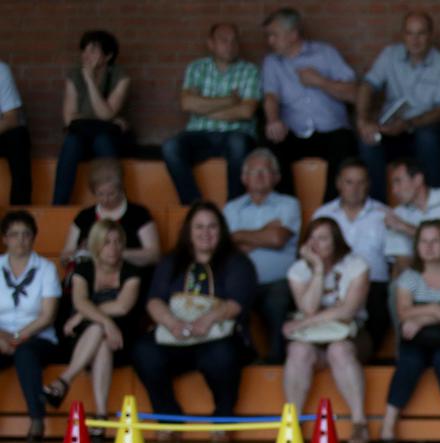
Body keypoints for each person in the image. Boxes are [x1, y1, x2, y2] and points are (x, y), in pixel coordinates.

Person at [131, 203, 256, 428]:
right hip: (175, 335)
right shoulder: (171, 261)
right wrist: (173, 323)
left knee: (223, 355)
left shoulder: (237, 262)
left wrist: (206, 320)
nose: (205, 233)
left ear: (221, 230)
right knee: (143, 351)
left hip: (216, 337)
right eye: (199, 227)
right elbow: (154, 300)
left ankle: (223, 418)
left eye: (212, 227)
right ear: (189, 230)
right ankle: (168, 418)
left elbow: (237, 303)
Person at [41, 220, 142, 431]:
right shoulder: (84, 268)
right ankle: (101, 415)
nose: (113, 248)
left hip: (121, 337)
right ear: (96, 244)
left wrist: (84, 315)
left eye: (117, 242)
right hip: (81, 338)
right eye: (107, 242)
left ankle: (64, 381)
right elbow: (79, 301)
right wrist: (105, 321)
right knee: (100, 332)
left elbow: (123, 307)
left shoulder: (131, 271)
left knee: (101, 334)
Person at [381, 221, 440, 443]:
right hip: (418, 341)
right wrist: (436, 310)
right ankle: (387, 425)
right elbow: (404, 313)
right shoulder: (408, 278)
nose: (429, 246)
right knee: (409, 361)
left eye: (435, 241)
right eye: (423, 241)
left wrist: (420, 319)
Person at [282, 217, 371, 443]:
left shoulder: (356, 266)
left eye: (322, 238)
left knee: (339, 350)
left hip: (351, 333)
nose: (316, 243)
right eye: (312, 238)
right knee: (298, 351)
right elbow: (309, 308)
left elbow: (347, 311)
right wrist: (319, 270)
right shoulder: (298, 271)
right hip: (313, 337)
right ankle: (293, 424)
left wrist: (301, 324)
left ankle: (359, 423)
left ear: (336, 241)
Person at [261, 7, 358, 202]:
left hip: (331, 131)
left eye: (274, 35)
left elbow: (354, 94)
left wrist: (320, 82)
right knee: (271, 143)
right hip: (293, 132)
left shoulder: (326, 53)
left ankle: (328, 215)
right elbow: (270, 97)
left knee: (344, 142)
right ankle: (288, 211)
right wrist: (273, 120)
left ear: (293, 35)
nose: (269, 41)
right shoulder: (272, 62)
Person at [357, 11, 440, 201]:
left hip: (424, 126)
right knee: (368, 140)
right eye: (410, 33)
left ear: (431, 35)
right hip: (390, 127)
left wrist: (408, 124)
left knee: (427, 138)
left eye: (421, 33)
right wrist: (363, 121)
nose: (415, 40)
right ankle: (377, 207)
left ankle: (434, 203)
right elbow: (367, 86)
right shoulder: (389, 55)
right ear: (403, 35)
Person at [162, 23, 261, 204]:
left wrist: (203, 109)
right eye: (224, 41)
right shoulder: (197, 68)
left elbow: (246, 111)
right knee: (171, 147)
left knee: (239, 144)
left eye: (233, 41)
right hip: (198, 134)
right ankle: (194, 205)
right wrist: (229, 101)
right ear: (211, 44)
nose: (229, 46)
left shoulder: (250, 70)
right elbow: (187, 103)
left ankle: (234, 207)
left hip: (235, 133)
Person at [224, 148, 301, 364]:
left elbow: (278, 239)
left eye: (265, 171)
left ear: (276, 177)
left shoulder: (289, 204)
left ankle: (276, 363)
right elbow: (227, 247)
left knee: (278, 303)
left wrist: (240, 236)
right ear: (243, 178)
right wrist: (264, 233)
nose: (259, 176)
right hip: (240, 281)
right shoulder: (231, 208)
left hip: (279, 281)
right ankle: (244, 359)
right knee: (228, 303)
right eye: (253, 171)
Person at [311, 160, 391, 351]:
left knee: (381, 304)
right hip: (331, 284)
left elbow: (396, 261)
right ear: (338, 183)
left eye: (360, 182)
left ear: (368, 184)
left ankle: (363, 354)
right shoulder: (323, 214)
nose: (355, 188)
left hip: (374, 285)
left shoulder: (384, 214)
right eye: (349, 182)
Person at [53, 30, 131, 205]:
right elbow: (69, 119)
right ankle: (58, 205)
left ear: (108, 55)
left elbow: (105, 114)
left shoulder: (120, 76)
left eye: (93, 51)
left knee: (102, 140)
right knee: (71, 141)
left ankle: (119, 204)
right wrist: (107, 119)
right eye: (84, 50)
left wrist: (89, 80)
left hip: (109, 138)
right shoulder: (74, 75)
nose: (86, 56)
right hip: (81, 135)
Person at [0, 211, 60, 440]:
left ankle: (37, 420)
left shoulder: (46, 269)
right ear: (5, 239)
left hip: (38, 337)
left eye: (26, 234)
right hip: (2, 337)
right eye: (14, 235)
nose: (20, 240)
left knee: (25, 353)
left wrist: (17, 336)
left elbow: (47, 315)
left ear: (34, 237)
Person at [59, 159, 160, 274]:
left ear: (121, 189)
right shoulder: (84, 217)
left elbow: (154, 255)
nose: (105, 199)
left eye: (111, 194)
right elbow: (64, 258)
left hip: (130, 279)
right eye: (100, 194)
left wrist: (114, 253)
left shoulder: (139, 214)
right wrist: (78, 253)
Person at [384, 158, 440, 277]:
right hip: (417, 280)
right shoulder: (398, 214)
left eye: (398, 182)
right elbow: (402, 261)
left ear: (418, 180)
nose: (394, 190)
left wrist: (404, 227)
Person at [0, 59, 32, 205]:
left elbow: (12, 119)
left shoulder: (1, 70)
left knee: (18, 136)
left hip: (3, 131)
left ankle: (19, 212)